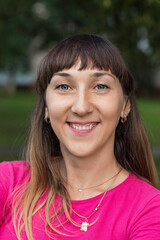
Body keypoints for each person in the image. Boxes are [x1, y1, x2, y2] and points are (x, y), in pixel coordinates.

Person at [0, 34, 160, 240]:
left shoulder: (149, 210)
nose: (81, 107)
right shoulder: (9, 181)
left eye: (100, 86)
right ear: (47, 108)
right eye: (64, 87)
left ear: (125, 106)